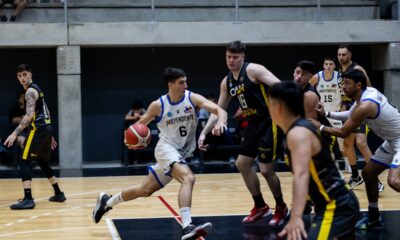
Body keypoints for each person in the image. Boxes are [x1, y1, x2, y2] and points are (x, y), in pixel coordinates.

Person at [92, 67, 227, 240]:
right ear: (170, 84)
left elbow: (219, 110)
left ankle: (107, 202)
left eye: (186, 81)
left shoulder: (192, 98)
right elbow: (139, 126)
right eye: (181, 82)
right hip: (166, 149)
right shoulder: (159, 105)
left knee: (145, 190)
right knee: (189, 178)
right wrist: (130, 139)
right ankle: (187, 227)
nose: (186, 85)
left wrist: (220, 122)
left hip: (182, 153)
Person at [199, 41, 289, 226]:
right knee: (242, 163)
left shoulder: (254, 70)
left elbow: (280, 86)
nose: (231, 60)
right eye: (228, 57)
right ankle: (261, 206)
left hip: (269, 121)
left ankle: (281, 207)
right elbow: (218, 109)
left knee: (265, 170)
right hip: (253, 124)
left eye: (235, 57)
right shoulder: (227, 81)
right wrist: (203, 133)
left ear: (243, 57)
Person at [268, 81, 359, 240]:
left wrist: (296, 216)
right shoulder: (297, 130)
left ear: (278, 107)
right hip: (332, 203)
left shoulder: (298, 133)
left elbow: (301, 174)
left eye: (269, 104)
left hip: (336, 206)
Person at [312, 69, 400, 229]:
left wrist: (320, 127)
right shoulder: (364, 96)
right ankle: (374, 217)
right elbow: (348, 115)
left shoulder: (366, 105)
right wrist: (326, 113)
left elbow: (343, 131)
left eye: (346, 83)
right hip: (392, 141)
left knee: (393, 181)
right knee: (368, 173)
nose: (343, 87)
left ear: (358, 85)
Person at [4, 64, 66, 210]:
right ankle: (58, 193)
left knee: (24, 159)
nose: (22, 78)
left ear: (30, 74)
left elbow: (29, 115)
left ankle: (28, 198)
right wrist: (48, 132)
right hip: (45, 128)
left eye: (25, 74)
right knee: (42, 160)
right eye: (19, 76)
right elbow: (45, 110)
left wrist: (15, 133)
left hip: (38, 129)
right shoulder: (36, 88)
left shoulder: (30, 91)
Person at [337, 44, 382, 191]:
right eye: (339, 55)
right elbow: (344, 92)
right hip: (348, 110)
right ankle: (356, 176)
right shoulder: (340, 70)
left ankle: (375, 178)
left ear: (350, 55)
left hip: (360, 109)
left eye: (344, 54)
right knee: (347, 145)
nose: (341, 57)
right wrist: (343, 104)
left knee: (361, 143)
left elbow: (369, 88)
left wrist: (363, 107)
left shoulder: (357, 69)